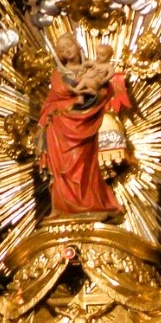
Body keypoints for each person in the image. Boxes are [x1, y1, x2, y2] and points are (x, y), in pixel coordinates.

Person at [37, 33, 131, 218]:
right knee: (61, 170)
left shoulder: (92, 67)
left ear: (77, 45)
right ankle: (62, 206)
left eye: (69, 45)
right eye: (62, 50)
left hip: (85, 125)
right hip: (60, 132)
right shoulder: (58, 75)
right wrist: (54, 112)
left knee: (84, 167)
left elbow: (106, 91)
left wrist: (96, 92)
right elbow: (51, 101)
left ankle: (90, 204)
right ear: (60, 55)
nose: (67, 51)